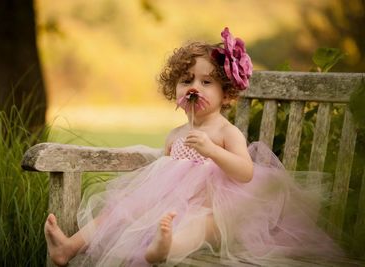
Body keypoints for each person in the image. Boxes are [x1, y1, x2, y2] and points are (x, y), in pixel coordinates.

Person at [44, 27, 343, 267]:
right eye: (186, 80)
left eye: (206, 81)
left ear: (226, 94)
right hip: (173, 209)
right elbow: (160, 176)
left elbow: (245, 172)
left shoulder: (226, 132)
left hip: (217, 209)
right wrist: (145, 201)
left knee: (200, 225)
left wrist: (213, 151)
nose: (194, 87)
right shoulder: (176, 134)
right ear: (174, 88)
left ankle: (166, 247)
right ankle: (69, 247)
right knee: (122, 208)